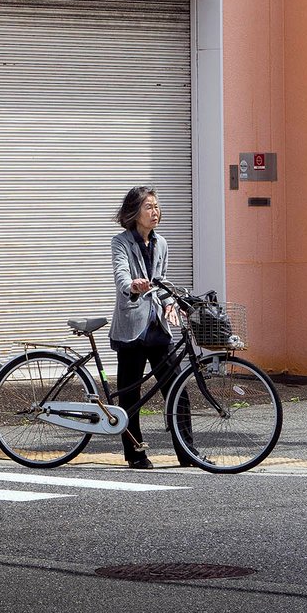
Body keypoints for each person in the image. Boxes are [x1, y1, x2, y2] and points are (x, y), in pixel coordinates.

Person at [110, 185, 194, 469]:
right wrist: (132, 285)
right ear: (135, 212)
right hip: (132, 327)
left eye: (157, 207)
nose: (155, 212)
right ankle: (135, 455)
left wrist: (172, 303)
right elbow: (121, 274)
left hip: (158, 327)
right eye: (149, 207)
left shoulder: (162, 243)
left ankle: (188, 452)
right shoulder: (121, 242)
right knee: (130, 396)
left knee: (177, 390)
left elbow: (162, 281)